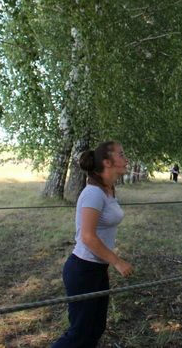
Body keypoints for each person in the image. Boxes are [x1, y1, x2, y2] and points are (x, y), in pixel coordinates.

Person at [52, 141, 134, 348]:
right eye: (121, 154)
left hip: (96, 269)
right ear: (107, 162)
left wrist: (105, 266)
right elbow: (87, 237)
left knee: (95, 329)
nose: (126, 159)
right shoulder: (93, 193)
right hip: (82, 270)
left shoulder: (108, 190)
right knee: (78, 334)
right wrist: (117, 262)